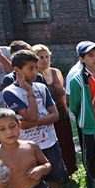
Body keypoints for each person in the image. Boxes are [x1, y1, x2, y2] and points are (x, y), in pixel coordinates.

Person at [2, 50, 74, 188]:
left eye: (36, 68)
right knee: (33, 182)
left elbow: (54, 115)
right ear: (17, 70)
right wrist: (29, 92)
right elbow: (31, 116)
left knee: (53, 178)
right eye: (30, 68)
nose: (35, 72)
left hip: (49, 141)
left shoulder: (41, 87)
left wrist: (31, 122)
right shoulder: (10, 92)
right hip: (28, 146)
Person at [69, 41, 95, 188]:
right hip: (91, 126)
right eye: (90, 55)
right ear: (82, 58)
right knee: (94, 161)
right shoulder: (78, 80)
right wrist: (88, 118)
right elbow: (75, 106)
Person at [33, 44, 78, 178]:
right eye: (41, 57)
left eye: (47, 57)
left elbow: (62, 93)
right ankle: (58, 174)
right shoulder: (35, 76)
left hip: (62, 114)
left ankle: (70, 171)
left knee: (67, 143)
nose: (45, 60)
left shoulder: (56, 72)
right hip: (48, 117)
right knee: (56, 146)